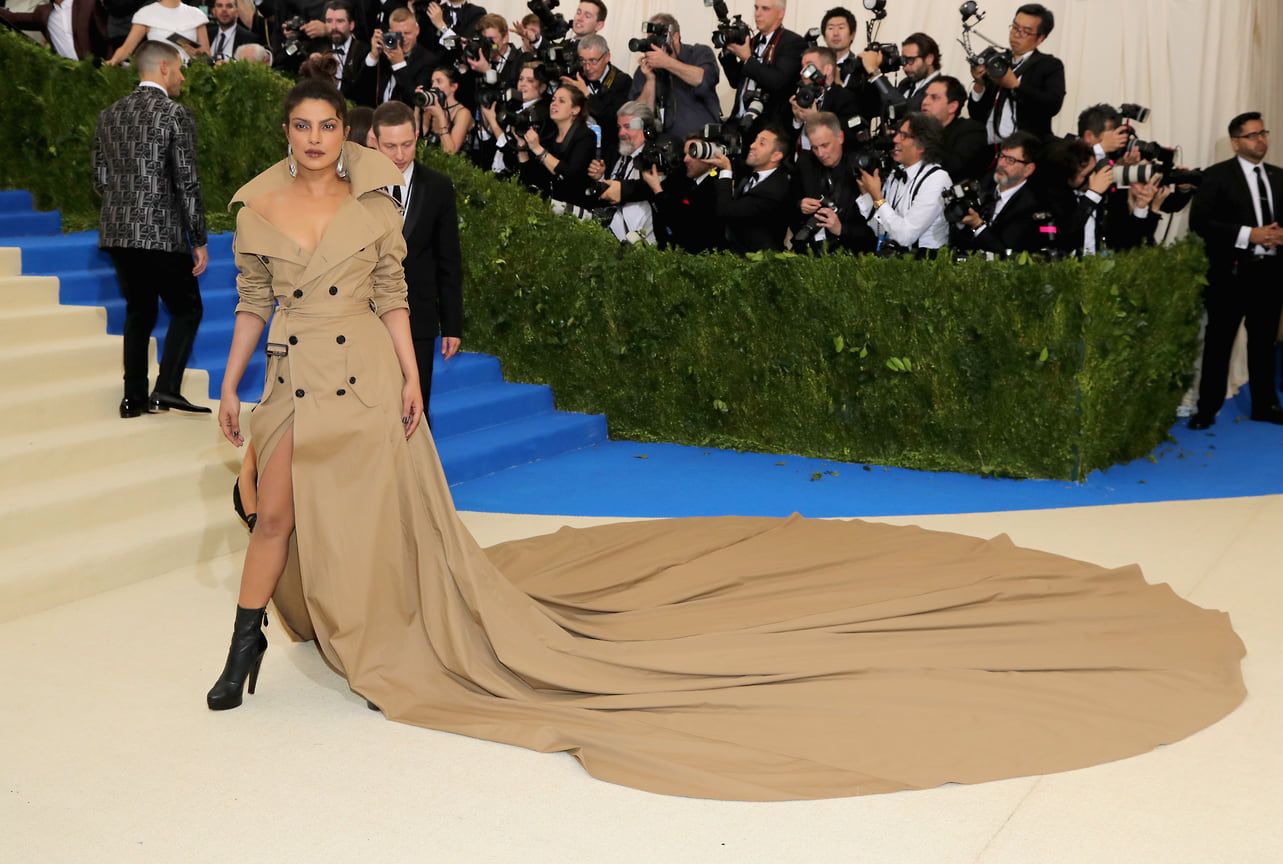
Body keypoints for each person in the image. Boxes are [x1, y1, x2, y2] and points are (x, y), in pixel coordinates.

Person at [203, 75, 1245, 806]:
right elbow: (248, 303)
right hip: (298, 374)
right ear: (292, 132)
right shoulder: (259, 209)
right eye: (300, 126)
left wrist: (417, 373)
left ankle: (372, 614)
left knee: (381, 510)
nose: (314, 139)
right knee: (277, 509)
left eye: (324, 126)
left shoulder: (381, 208)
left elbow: (401, 289)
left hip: (380, 368)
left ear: (346, 134)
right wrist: (232, 388)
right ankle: (244, 644)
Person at [92, 40, 208, 418]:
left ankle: (133, 398)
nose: (181, 75)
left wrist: (125, 205)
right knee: (188, 308)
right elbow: (187, 182)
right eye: (179, 68)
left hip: (117, 232)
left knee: (138, 311)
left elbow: (100, 178)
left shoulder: (109, 114)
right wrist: (200, 239)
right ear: (163, 69)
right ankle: (167, 389)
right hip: (162, 233)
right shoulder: (176, 115)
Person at [1188, 112, 1283, 430]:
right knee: (1219, 344)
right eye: (1253, 135)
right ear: (1235, 142)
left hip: (1270, 273)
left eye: (1263, 133)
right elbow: (1200, 224)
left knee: (1264, 343)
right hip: (1230, 274)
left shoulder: (1278, 176)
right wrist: (1249, 235)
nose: (1261, 140)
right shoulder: (1216, 177)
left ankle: (1265, 405)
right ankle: (1207, 409)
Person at [372, 100, 463, 415]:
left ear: (417, 139)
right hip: (364, 315)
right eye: (391, 146)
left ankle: (416, 466)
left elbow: (448, 258)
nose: (400, 154)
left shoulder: (437, 186)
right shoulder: (356, 186)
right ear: (375, 142)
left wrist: (452, 324)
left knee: (416, 405)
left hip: (418, 316)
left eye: (407, 145)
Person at [968, 3, 1065, 143]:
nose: (1016, 35)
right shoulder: (998, 62)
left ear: (1040, 38)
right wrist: (979, 84)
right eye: (1015, 28)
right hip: (989, 148)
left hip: (1026, 150)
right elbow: (976, 114)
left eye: (1025, 31)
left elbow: (1052, 105)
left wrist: (1015, 86)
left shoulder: (1049, 65)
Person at [856, 112, 952, 253]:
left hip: (926, 265)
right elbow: (881, 230)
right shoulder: (896, 174)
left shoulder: (937, 179)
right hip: (895, 263)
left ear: (922, 146)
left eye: (904, 136)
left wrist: (878, 197)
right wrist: (867, 195)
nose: (895, 140)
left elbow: (906, 236)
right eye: (897, 134)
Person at [627, 13, 722, 144]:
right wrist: (650, 80)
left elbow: (703, 79)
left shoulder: (699, 53)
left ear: (675, 37)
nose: (653, 45)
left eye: (657, 39)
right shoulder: (647, 67)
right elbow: (639, 116)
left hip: (702, 143)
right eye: (650, 40)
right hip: (666, 148)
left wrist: (667, 62)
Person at [793, 112, 876, 254]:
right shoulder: (805, 163)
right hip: (810, 250)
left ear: (840, 137)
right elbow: (787, 205)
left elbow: (875, 228)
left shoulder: (861, 166)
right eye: (815, 148)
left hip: (853, 254)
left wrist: (841, 229)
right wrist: (800, 204)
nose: (820, 153)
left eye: (825, 145)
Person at [950, 131, 1046, 254]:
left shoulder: (1032, 206)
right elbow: (960, 242)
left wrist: (977, 225)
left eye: (1010, 160)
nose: (1001, 164)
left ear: (1028, 169)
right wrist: (960, 221)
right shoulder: (984, 185)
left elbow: (1006, 253)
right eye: (1001, 156)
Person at [705, 123, 794, 253]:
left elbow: (726, 212)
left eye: (762, 143)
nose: (752, 145)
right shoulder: (747, 173)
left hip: (758, 264)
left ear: (776, 156)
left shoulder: (775, 189)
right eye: (755, 140)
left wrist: (726, 170)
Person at [719, 0, 805, 133]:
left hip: (769, 129)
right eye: (756, 8)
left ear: (780, 13)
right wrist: (728, 52)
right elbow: (736, 81)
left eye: (765, 9)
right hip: (736, 124)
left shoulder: (792, 43)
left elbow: (777, 81)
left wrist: (747, 58)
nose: (757, 14)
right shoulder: (753, 41)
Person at [585, 101, 659, 244]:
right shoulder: (616, 156)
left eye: (628, 127)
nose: (621, 133)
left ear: (646, 129)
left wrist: (622, 190)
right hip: (611, 242)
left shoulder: (656, 157)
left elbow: (654, 187)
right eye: (619, 127)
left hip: (645, 246)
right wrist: (600, 179)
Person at [517, 82, 596, 209]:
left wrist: (538, 149)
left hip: (574, 212)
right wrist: (522, 149)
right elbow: (533, 180)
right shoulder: (549, 136)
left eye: (562, 101)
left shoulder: (586, 136)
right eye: (553, 99)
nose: (554, 103)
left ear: (575, 109)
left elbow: (571, 175)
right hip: (549, 210)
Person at [560, 34, 631, 167]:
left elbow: (613, 119)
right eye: (583, 61)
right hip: (579, 151)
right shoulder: (578, 77)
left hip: (609, 154)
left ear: (606, 57)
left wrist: (586, 93)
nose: (587, 68)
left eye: (593, 61)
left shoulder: (621, 81)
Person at [788, 45, 862, 158]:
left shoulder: (845, 98)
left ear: (827, 69)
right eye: (802, 67)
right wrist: (797, 121)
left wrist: (814, 119)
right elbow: (787, 141)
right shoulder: (798, 95)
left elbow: (846, 139)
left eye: (809, 66)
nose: (802, 72)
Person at [922, 75, 991, 185]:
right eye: (925, 96)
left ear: (952, 107)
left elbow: (955, 169)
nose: (925, 101)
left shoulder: (971, 131)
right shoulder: (918, 130)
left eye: (934, 97)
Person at [365, 6, 437, 107]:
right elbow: (362, 90)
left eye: (407, 33)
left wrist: (399, 65)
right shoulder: (383, 54)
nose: (403, 39)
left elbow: (415, 101)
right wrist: (373, 56)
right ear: (390, 32)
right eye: (398, 34)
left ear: (417, 30)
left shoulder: (428, 60)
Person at [104, 0, 210, 65]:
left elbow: (207, 55)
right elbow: (126, 49)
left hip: (190, 79)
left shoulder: (197, 15)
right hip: (157, 78)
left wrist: (197, 53)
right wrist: (111, 62)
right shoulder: (146, 13)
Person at [0, 0, 108, 61]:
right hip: (68, 76)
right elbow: (13, 19)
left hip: (97, 69)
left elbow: (106, 36)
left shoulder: (88, 4)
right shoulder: (42, 13)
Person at [420, 66, 473, 154]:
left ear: (453, 87)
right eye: (432, 82)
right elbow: (418, 141)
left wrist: (441, 117)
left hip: (454, 166)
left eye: (439, 81)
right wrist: (418, 107)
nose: (434, 86)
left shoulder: (463, 113)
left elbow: (450, 152)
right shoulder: (430, 112)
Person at [898, 32, 941, 113]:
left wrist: (876, 74)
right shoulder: (904, 83)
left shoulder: (940, 88)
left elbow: (910, 110)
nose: (905, 66)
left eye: (910, 60)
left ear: (929, 59)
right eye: (903, 60)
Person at [820, 6, 858, 87]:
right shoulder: (817, 65)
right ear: (824, 36)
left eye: (841, 28)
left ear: (852, 35)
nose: (836, 33)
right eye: (830, 28)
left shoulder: (858, 68)